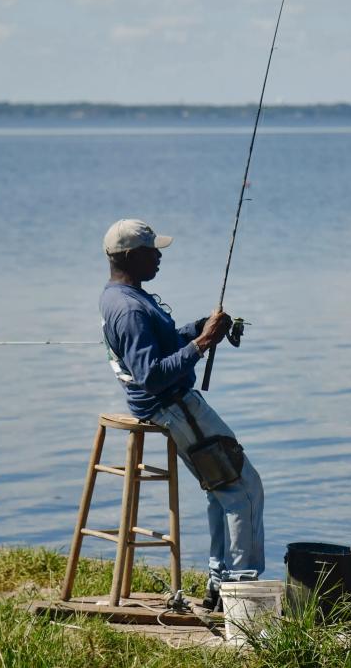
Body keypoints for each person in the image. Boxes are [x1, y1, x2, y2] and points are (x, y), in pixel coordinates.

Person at [98, 219, 265, 611]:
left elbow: (165, 344)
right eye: (152, 250)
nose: (158, 256)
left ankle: (219, 583)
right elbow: (152, 375)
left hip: (175, 406)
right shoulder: (129, 310)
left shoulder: (125, 296)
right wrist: (203, 343)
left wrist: (202, 329)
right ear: (129, 256)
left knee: (222, 489)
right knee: (244, 489)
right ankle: (242, 591)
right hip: (174, 407)